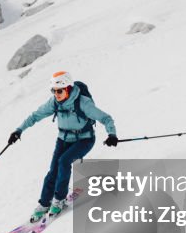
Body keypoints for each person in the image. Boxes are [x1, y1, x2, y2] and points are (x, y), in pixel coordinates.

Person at [8, 70, 118, 223]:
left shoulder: (83, 102)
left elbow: (106, 118)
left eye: (59, 91)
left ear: (67, 88)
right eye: (53, 91)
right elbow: (35, 116)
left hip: (84, 139)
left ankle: (59, 200)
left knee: (64, 162)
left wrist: (111, 135)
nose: (56, 94)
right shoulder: (54, 102)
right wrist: (18, 130)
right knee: (53, 170)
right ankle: (44, 203)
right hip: (63, 139)